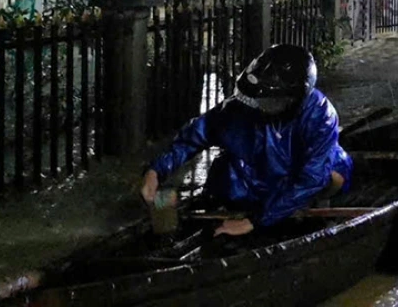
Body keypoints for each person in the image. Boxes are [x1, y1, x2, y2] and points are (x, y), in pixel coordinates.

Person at [140, 44, 352, 236]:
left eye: (270, 101)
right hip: (257, 172)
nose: (261, 106)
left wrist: (254, 221)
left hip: (297, 175)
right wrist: (156, 171)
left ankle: (306, 208)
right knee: (225, 181)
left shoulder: (320, 116)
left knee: (332, 176)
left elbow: (312, 177)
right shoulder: (243, 107)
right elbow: (194, 136)